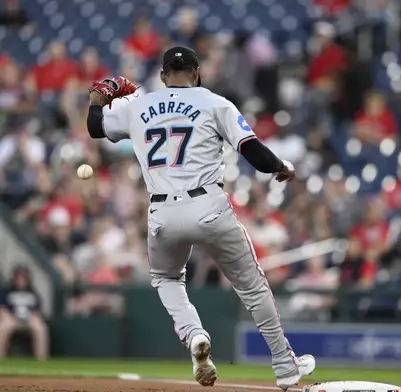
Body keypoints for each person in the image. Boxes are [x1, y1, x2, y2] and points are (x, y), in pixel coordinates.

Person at [84, 46, 315, 391]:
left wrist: (98, 95)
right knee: (251, 285)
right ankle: (284, 365)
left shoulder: (137, 108)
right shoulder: (213, 101)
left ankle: (194, 335)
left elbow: (94, 127)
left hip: (161, 211)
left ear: (163, 77)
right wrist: (281, 167)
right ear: (197, 73)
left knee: (165, 278)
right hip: (208, 205)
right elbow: (253, 151)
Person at [0, 266, 48, 360]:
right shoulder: (6, 291)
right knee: (3, 327)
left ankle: (41, 359)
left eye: (23, 277)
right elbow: (2, 309)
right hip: (11, 319)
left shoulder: (33, 292)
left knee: (40, 328)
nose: (20, 280)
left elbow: (37, 311)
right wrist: (9, 317)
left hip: (28, 320)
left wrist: (34, 317)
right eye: (18, 277)